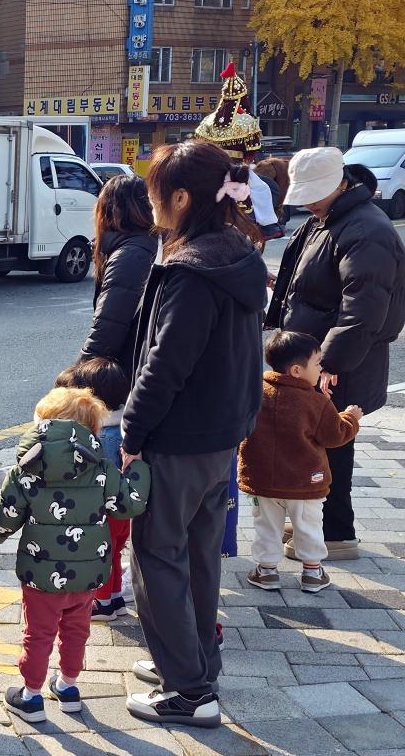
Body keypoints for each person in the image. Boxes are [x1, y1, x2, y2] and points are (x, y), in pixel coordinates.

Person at [120, 141, 266, 728]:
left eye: (157, 193)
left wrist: (132, 429)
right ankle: (195, 662)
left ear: (181, 197)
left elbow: (164, 364)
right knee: (201, 557)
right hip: (222, 437)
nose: (152, 202)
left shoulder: (188, 269)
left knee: (157, 557)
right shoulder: (237, 254)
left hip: (178, 441)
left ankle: (189, 690)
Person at [268, 147, 405, 560]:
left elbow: (362, 309)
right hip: (316, 357)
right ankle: (318, 522)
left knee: (332, 443)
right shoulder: (329, 219)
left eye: (315, 192)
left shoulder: (365, 229)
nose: (308, 201)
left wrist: (328, 364)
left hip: (335, 361)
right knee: (319, 442)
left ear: (341, 183)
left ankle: (335, 531)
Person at [0, 386, 150, 724]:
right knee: (76, 629)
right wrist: (138, 469)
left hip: (40, 576)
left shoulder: (25, 470)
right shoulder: (102, 468)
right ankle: (68, 686)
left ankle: (30, 696)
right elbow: (128, 506)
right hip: (89, 573)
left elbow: (5, 519)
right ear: (91, 430)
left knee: (38, 633)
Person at [239, 331, 362, 594]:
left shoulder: (254, 392)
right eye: (317, 363)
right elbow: (335, 434)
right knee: (308, 525)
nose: (321, 369)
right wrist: (350, 418)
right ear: (296, 370)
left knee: (266, 525)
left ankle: (267, 571)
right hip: (305, 482)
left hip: (263, 481)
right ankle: (312, 571)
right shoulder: (315, 401)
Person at [55, 357, 133, 622]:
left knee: (99, 554)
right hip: (123, 509)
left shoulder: (99, 434)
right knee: (115, 552)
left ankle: (102, 603)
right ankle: (115, 599)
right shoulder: (127, 428)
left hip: (101, 510)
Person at [80, 174, 158, 379]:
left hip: (128, 369)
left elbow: (107, 328)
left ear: (109, 211)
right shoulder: (145, 243)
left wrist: (76, 377)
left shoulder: (131, 255)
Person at [192, 62, 279, 239]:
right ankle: (268, 226)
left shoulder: (208, 120)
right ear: (242, 98)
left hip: (211, 167)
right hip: (236, 167)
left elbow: (199, 146)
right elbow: (252, 149)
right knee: (262, 189)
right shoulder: (246, 121)